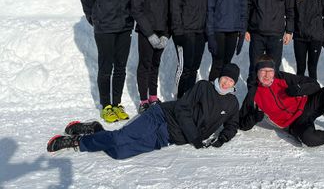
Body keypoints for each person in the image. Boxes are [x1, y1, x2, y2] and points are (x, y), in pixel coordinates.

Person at [47, 64, 241, 158]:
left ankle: (96, 130)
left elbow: (232, 124)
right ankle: (77, 142)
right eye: (224, 77)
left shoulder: (232, 103)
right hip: (162, 116)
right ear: (219, 76)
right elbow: (182, 109)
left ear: (233, 84)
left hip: (167, 137)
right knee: (118, 139)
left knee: (119, 153)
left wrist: (222, 138)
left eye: (230, 81)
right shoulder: (203, 87)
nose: (226, 82)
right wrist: (195, 138)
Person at [80, 0, 136, 123]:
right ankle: (106, 106)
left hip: (125, 26)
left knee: (121, 67)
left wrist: (131, 18)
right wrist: (94, 18)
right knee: (106, 67)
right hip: (105, 27)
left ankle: (117, 103)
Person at [131, 0, 175, 114]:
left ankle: (153, 97)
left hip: (162, 30)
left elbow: (172, 8)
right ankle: (143, 100)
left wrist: (166, 34)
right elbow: (136, 8)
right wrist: (149, 33)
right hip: (146, 31)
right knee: (145, 64)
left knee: (156, 64)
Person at [245, 0, 294, 85]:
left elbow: (290, 9)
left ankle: (270, 102)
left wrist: (289, 31)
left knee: (273, 70)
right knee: (255, 69)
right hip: (257, 34)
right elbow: (247, 6)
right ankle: (252, 101)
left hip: (276, 34)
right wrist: (245, 28)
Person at [170, 0, 207, 98]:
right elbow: (174, 6)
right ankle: (179, 99)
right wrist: (178, 31)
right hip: (185, 32)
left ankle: (189, 98)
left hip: (200, 32)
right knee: (184, 68)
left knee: (194, 68)